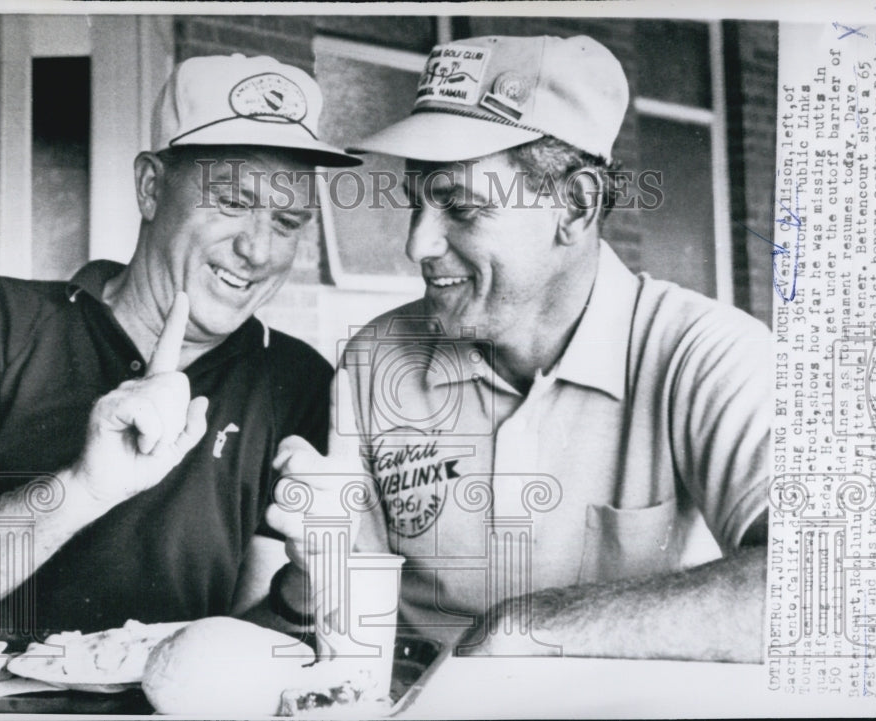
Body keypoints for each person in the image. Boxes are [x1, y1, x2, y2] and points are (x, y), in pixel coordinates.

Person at [268, 35, 770, 663]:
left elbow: (833, 588)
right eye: (415, 204)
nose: (417, 245)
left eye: (461, 208)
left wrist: (527, 629)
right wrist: (315, 580)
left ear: (576, 205)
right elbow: (338, 633)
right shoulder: (375, 362)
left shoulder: (705, 355)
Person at [0, 54, 360, 641]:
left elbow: (244, 644)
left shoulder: (296, 381)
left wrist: (304, 588)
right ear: (151, 187)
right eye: (230, 201)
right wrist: (83, 488)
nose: (257, 249)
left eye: (287, 221)